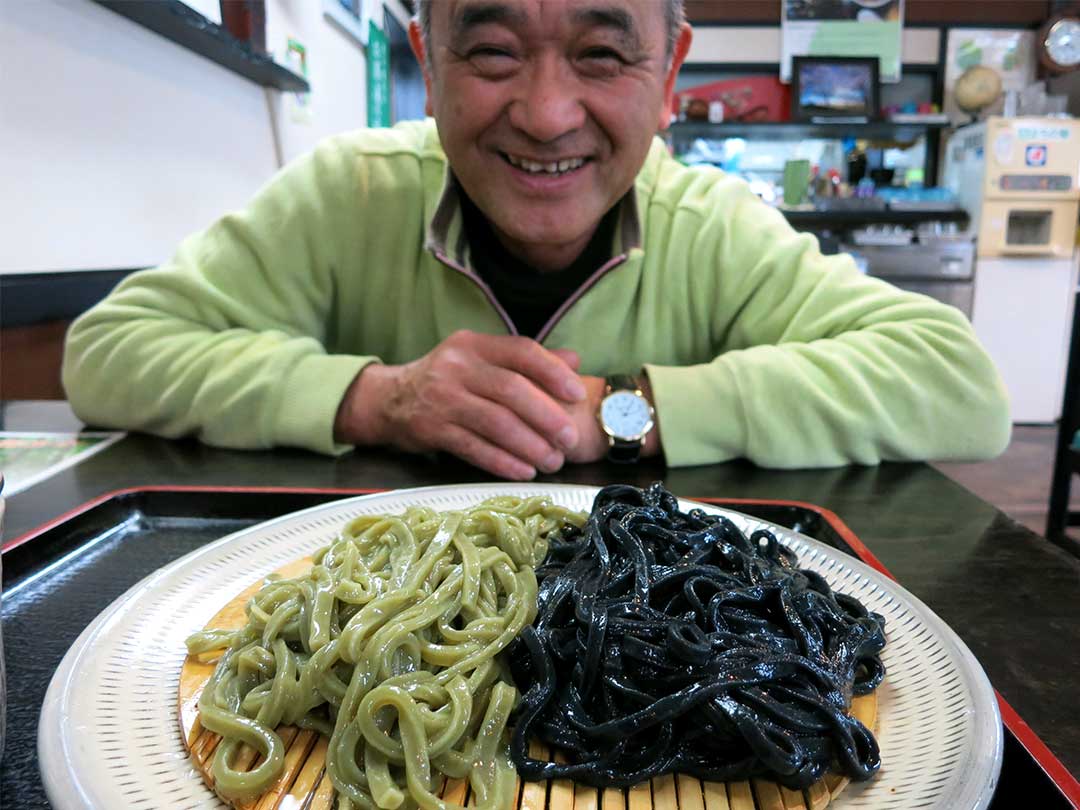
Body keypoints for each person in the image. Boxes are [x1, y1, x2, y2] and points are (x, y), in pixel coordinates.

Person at [62, 0, 1010, 480]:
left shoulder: (715, 227)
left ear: (669, 71)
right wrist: (373, 398)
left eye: (601, 54)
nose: (549, 115)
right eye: (491, 51)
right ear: (428, 61)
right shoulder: (346, 193)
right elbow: (108, 352)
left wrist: (626, 413)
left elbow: (956, 383)